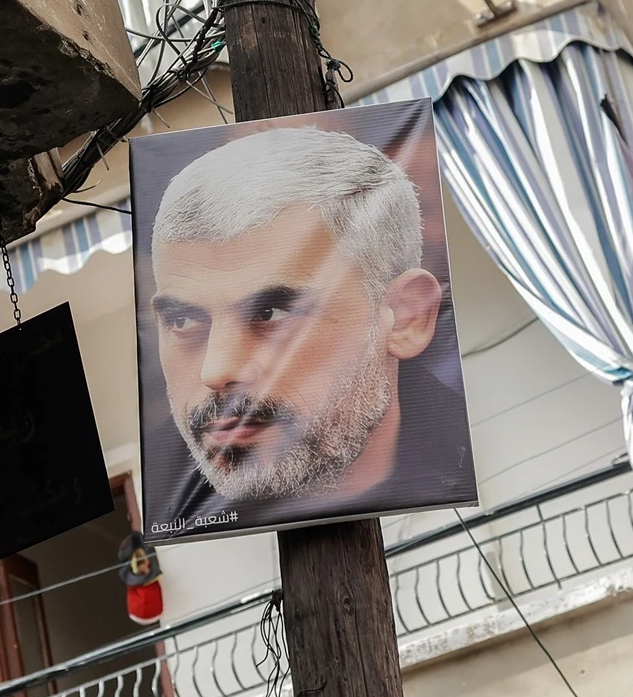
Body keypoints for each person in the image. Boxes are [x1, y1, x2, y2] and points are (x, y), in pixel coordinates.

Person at [143, 125, 472, 536]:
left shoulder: (454, 459)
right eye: (183, 321)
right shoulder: (170, 497)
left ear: (405, 318)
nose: (216, 371)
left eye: (273, 313)